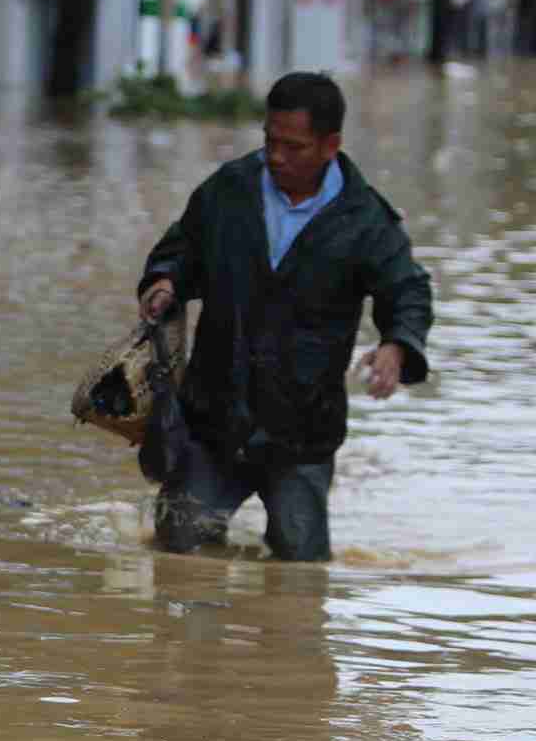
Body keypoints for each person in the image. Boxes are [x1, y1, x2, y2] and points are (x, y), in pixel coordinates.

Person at [135, 71, 433, 562]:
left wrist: (396, 346)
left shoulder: (364, 220)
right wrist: (166, 281)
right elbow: (182, 248)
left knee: (300, 575)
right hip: (213, 419)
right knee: (177, 558)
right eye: (271, 142)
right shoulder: (229, 189)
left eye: (294, 147)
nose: (277, 157)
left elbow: (407, 288)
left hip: (301, 431)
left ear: (330, 144)